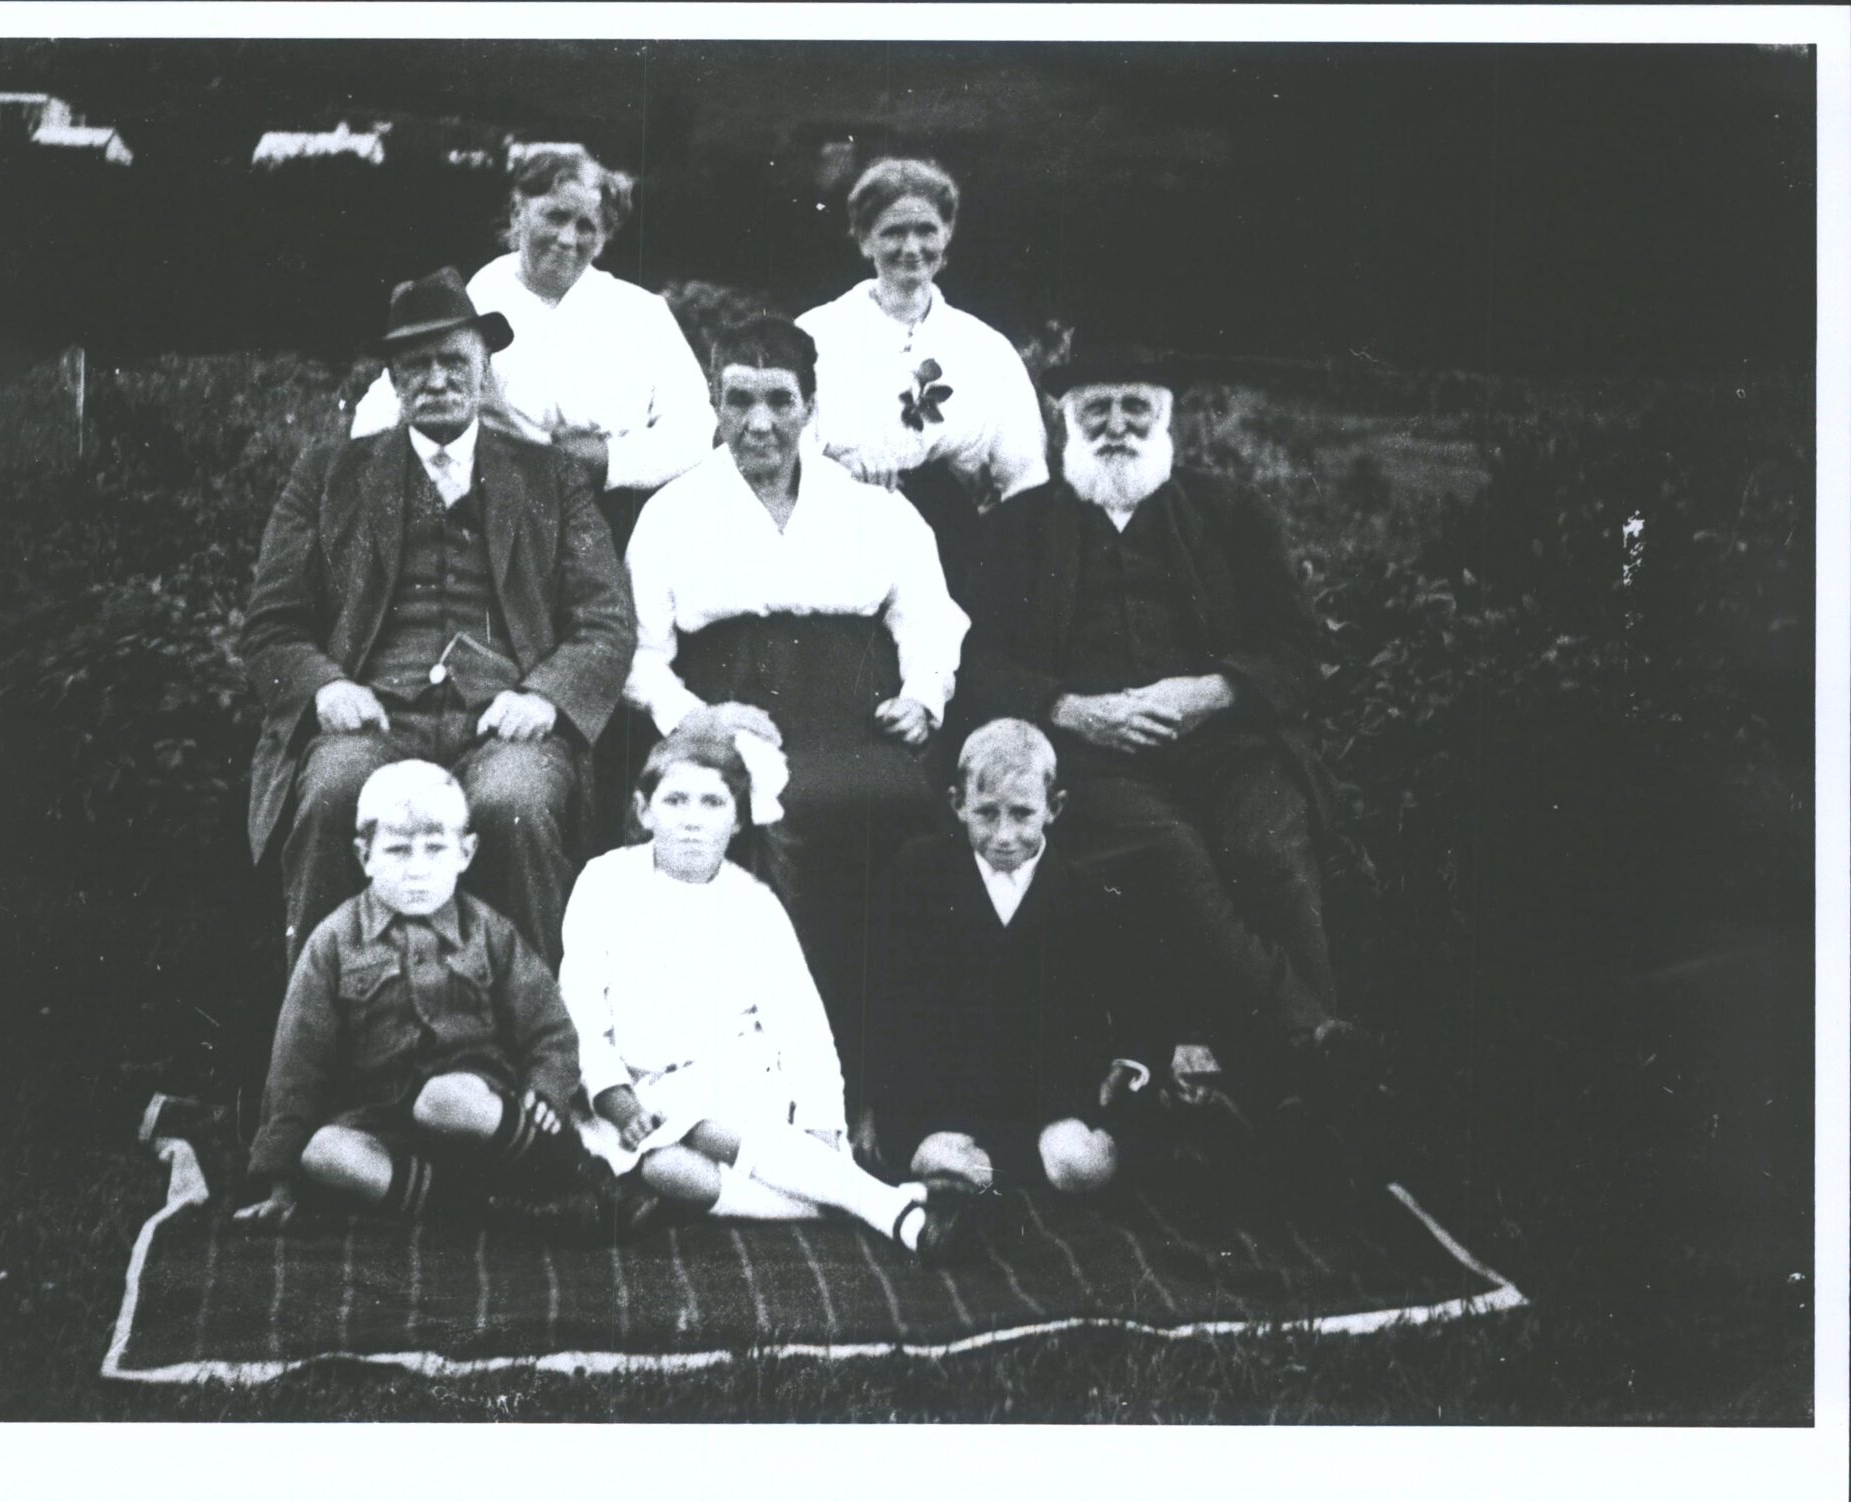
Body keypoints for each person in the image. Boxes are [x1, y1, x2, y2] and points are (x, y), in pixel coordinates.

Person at [955, 343, 1376, 1173]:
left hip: (1223, 743)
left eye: (1133, 408)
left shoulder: (1231, 513)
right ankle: (1317, 1047)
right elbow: (978, 664)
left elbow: (1297, 649)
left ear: (1164, 417)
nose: (1116, 426)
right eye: (1096, 410)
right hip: (1091, 754)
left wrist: (1211, 692)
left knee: (1269, 849)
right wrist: (1071, 708)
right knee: (1172, 852)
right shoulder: (1016, 530)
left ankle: (1293, 1094)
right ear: (1066, 421)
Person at [242, 266, 632, 972]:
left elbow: (605, 622)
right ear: (393, 380)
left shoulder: (550, 477)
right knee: (333, 795)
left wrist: (545, 697)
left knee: (514, 805)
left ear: (484, 371)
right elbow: (271, 627)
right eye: (416, 364)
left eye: (454, 360)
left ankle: (533, 1049)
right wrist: (325, 688)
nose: (437, 378)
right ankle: (326, 1045)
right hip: (371, 716)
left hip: (507, 720)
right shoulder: (329, 475)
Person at [622, 315, 969, 1089]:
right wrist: (692, 718)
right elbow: (639, 655)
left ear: (812, 405)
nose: (759, 423)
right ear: (714, 405)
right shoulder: (673, 513)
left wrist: (923, 696)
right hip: (733, 717)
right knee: (783, 817)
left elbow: (930, 615)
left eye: (780, 400)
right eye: (738, 400)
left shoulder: (874, 508)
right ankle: (784, 1075)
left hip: (856, 716)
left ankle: (891, 1077)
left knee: (911, 817)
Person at [560, 724, 976, 1262]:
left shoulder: (753, 903)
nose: (690, 818)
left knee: (708, 1128)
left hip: (730, 1085)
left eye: (712, 802)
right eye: (675, 800)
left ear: (737, 819)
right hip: (631, 1097)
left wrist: (822, 1121)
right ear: (644, 811)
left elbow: (802, 1025)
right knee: (665, 1170)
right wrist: (615, 1097)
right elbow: (579, 1009)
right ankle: (871, 1201)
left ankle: (896, 1219)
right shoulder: (605, 882)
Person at [235, 762, 618, 1231]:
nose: (417, 870)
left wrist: (546, 1086)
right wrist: (280, 1181)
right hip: (383, 1121)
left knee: (443, 1098)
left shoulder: (488, 931)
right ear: (364, 856)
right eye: (397, 851)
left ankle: (567, 1178)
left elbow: (548, 1027)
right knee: (322, 1153)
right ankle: (482, 1211)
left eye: (435, 850)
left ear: (465, 853)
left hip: (473, 1109)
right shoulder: (333, 942)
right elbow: (297, 1062)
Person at [349, 145, 715, 551]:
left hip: (613, 521)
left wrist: (608, 458)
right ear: (517, 215)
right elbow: (385, 404)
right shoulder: (476, 300)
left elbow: (695, 430)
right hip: (492, 517)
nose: (567, 239)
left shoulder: (641, 313)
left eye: (586, 226)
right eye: (555, 217)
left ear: (603, 238)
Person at [869, 719, 1138, 1197]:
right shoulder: (919, 871)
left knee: (1081, 1162)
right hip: (947, 1097)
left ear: (1053, 809)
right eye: (986, 813)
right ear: (958, 804)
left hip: (1042, 1100)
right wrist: (874, 1106)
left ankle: (1005, 1171)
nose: (1004, 834)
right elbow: (884, 995)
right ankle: (981, 1172)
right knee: (939, 1159)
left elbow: (1127, 992)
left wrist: (1124, 1068)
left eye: (1021, 814)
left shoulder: (1084, 886)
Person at [797, 157, 1049, 587]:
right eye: (893, 232)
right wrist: (840, 462)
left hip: (959, 547)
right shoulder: (816, 335)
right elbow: (784, 446)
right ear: (863, 240)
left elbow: (1025, 478)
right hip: (842, 537)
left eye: (926, 230)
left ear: (947, 234)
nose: (911, 248)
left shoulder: (987, 349)